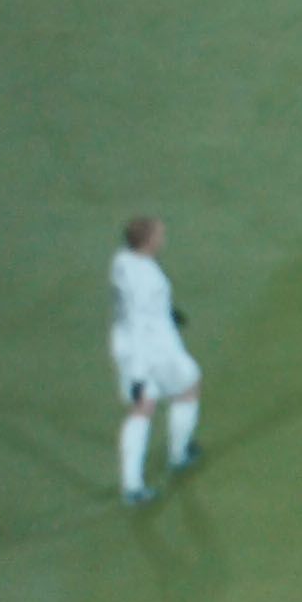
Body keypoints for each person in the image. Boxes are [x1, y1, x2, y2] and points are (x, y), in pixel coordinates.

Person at [108, 213, 200, 504]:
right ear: (148, 241)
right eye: (159, 234)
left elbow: (138, 305)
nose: (163, 237)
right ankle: (179, 454)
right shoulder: (147, 277)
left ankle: (132, 485)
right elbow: (140, 320)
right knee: (187, 389)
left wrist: (168, 312)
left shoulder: (122, 261)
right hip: (152, 348)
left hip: (125, 344)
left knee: (142, 407)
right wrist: (139, 374)